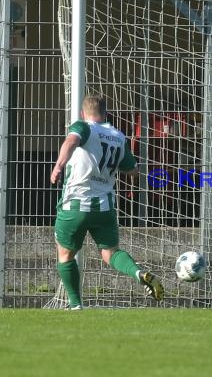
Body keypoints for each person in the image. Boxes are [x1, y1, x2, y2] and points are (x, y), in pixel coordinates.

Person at [50, 95, 164, 310]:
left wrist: (58, 165)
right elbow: (132, 170)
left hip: (76, 204)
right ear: (105, 113)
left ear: (84, 114)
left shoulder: (83, 127)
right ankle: (138, 273)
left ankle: (75, 305)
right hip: (104, 207)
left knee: (65, 254)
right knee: (110, 253)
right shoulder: (118, 136)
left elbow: (71, 141)